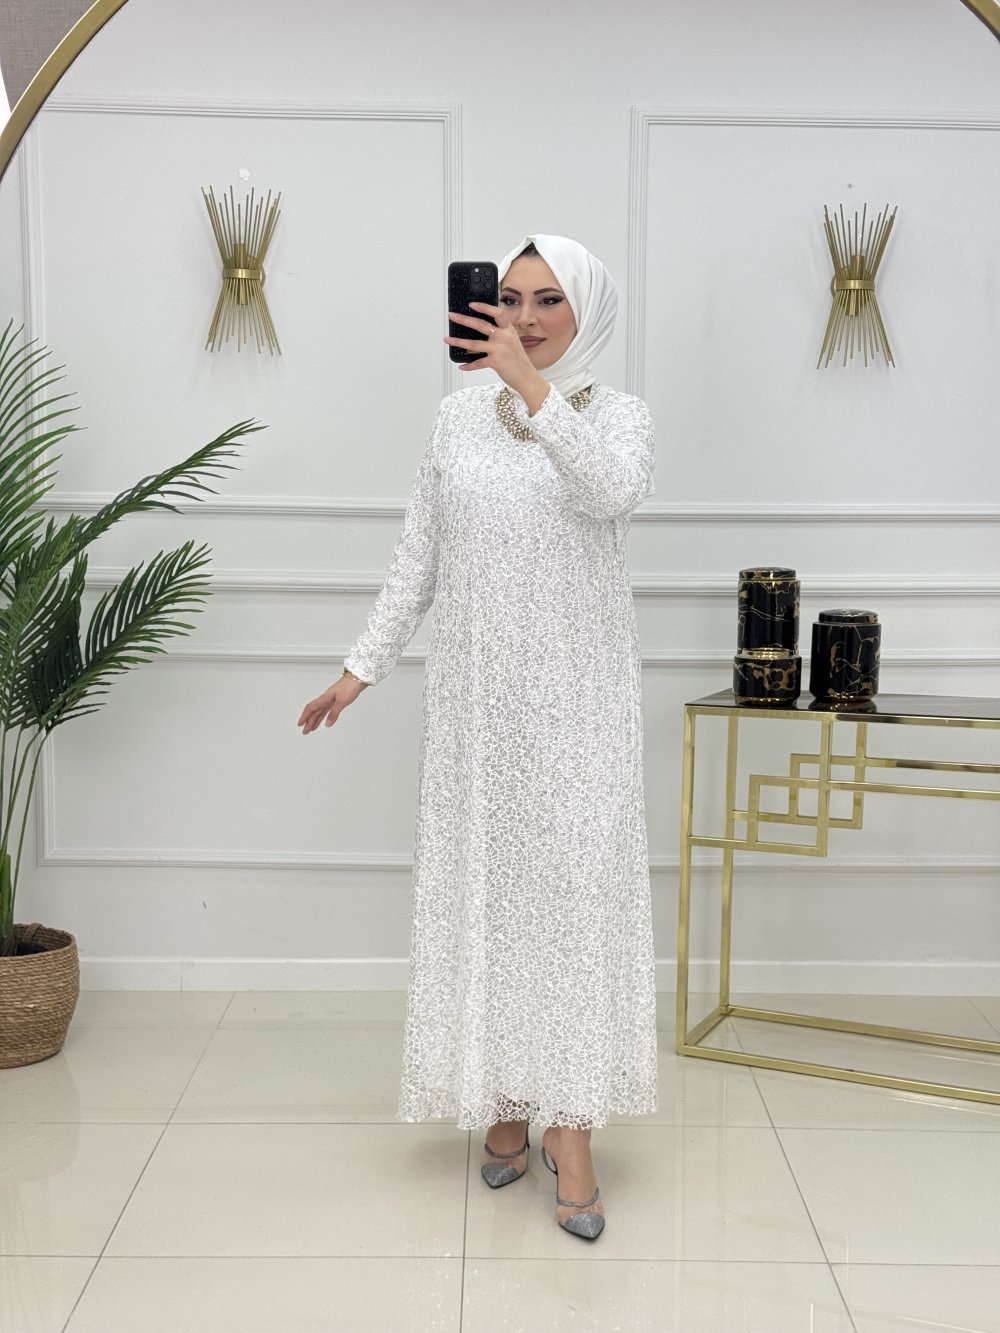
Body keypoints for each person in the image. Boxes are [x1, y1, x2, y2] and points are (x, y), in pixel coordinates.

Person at [298, 234, 658, 1241]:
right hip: (477, 712)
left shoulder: (618, 417)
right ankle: (504, 1097)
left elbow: (610, 493)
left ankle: (571, 1130)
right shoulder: (456, 419)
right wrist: (360, 667)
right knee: (491, 900)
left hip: (579, 708)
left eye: (548, 300)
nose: (525, 318)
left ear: (586, 311)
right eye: (509, 298)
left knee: (570, 909)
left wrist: (532, 391)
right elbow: (418, 556)